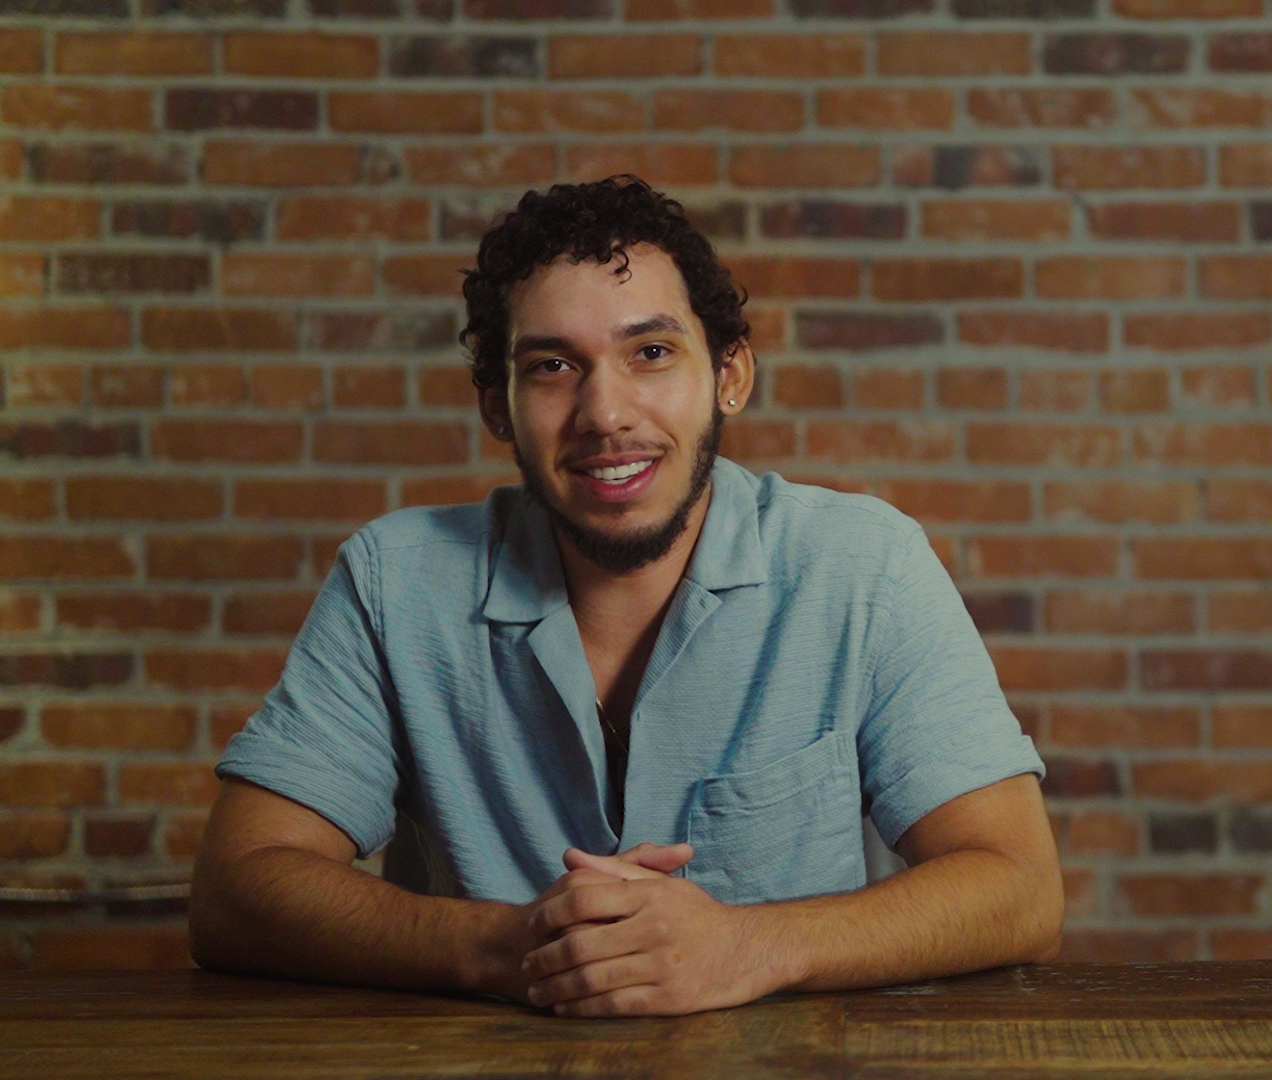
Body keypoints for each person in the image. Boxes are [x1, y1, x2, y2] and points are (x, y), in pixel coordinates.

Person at [188, 175, 1062, 1018]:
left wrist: (746, 947)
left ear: (730, 375)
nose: (605, 412)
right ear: (498, 406)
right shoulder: (395, 581)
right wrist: (511, 947)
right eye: (553, 365)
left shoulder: (864, 568)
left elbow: (1017, 885)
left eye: (650, 353)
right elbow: (237, 888)